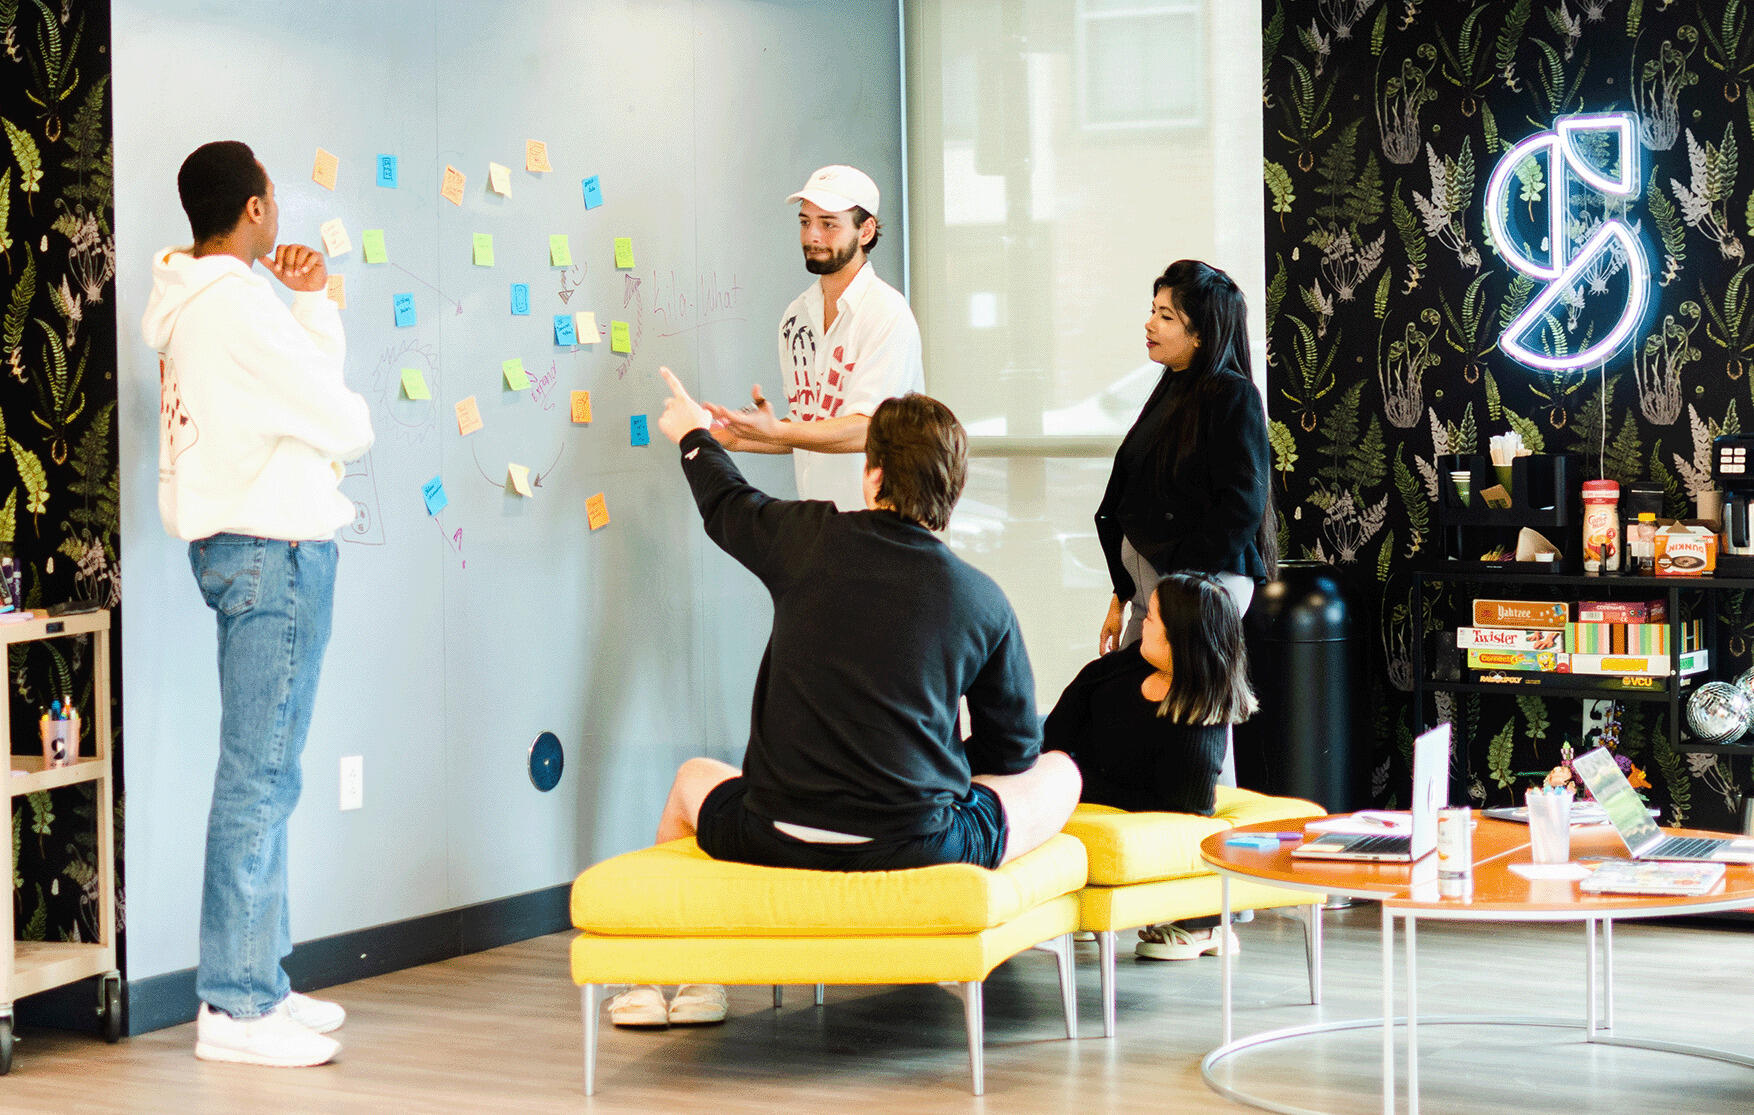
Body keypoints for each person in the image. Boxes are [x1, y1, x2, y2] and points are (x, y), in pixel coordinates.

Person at [603, 370, 1081, 1028]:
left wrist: (691, 429)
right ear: (954, 490)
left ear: (873, 475)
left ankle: (677, 985)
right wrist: (924, 762)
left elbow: (726, 501)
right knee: (1062, 772)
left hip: (775, 832)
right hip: (918, 842)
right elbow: (1014, 750)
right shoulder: (981, 599)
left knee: (693, 777)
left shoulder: (804, 538)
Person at [144, 141, 374, 1067]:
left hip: (237, 548)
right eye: (273, 197)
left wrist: (310, 301)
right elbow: (346, 422)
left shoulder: (200, 303)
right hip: (273, 553)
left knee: (266, 771)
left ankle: (260, 982)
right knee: (260, 777)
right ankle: (236, 1005)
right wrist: (311, 310)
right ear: (254, 209)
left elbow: (303, 394)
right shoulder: (238, 310)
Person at [1094, 260, 1274, 785]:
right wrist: (1122, 592)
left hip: (1202, 582)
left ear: (1201, 335)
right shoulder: (1173, 385)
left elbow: (1242, 505)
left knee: (1196, 713)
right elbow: (1132, 495)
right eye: (1153, 311)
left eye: (1166, 316)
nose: (1150, 324)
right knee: (1134, 698)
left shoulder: (1231, 394)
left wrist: (1182, 587)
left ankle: (1206, 820)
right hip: (1158, 585)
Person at [1045, 573, 1258, 961]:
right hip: (1077, 778)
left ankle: (1204, 925)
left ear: (1179, 638)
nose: (1141, 621)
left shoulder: (1199, 723)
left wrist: (1076, 782)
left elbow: (1182, 808)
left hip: (1120, 795)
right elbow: (1055, 732)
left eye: (1153, 618)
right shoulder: (1121, 668)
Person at [701, 165, 925, 510]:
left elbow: (866, 430)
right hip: (822, 520)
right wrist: (739, 436)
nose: (812, 237)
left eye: (829, 224)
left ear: (865, 231)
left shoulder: (886, 313)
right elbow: (811, 427)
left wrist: (775, 430)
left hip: (887, 527)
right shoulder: (796, 317)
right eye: (805, 222)